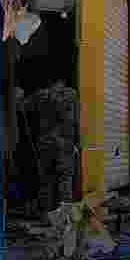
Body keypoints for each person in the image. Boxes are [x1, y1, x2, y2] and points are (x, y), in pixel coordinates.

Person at [24, 78, 79, 213]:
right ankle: (64, 218)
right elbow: (75, 121)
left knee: (46, 181)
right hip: (64, 143)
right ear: (62, 83)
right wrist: (76, 143)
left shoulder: (40, 95)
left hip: (45, 143)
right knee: (65, 181)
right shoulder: (71, 95)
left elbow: (23, 106)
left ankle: (46, 215)